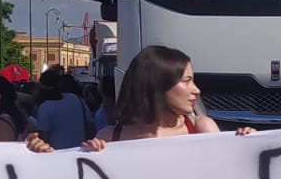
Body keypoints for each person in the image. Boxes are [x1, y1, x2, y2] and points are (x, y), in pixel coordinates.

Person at [90, 45, 252, 143]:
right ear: (158, 85)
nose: (196, 89)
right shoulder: (109, 137)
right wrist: (90, 153)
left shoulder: (202, 128)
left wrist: (249, 145)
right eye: (187, 80)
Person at [35, 67, 95, 149]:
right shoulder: (77, 99)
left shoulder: (45, 107)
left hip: (57, 155)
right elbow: (90, 126)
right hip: (81, 150)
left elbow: (43, 138)